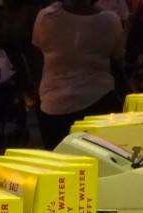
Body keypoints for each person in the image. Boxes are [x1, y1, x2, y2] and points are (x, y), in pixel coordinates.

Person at [32, 0, 125, 149]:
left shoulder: (46, 18)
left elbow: (38, 55)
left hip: (52, 106)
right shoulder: (109, 22)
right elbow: (117, 60)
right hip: (99, 102)